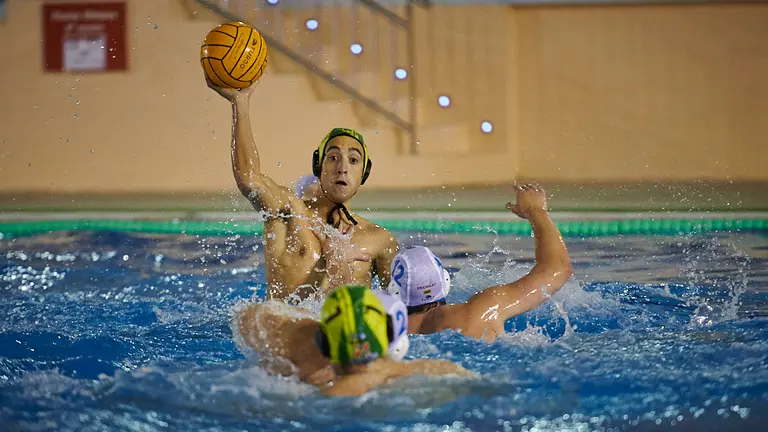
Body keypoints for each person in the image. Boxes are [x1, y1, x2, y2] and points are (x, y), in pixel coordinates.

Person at [206, 79, 399, 302]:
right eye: (333, 158)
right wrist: (240, 103)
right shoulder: (290, 212)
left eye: (353, 160)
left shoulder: (381, 240)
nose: (342, 168)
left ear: (364, 173)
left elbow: (397, 311)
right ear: (319, 166)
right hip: (288, 331)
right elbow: (249, 179)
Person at [386, 183, 573, 343]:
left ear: (393, 292)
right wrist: (535, 211)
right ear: (445, 281)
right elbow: (557, 269)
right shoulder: (478, 311)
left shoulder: (383, 334)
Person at [236, 284, 474, 396]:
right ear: (391, 340)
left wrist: (304, 322)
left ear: (325, 340)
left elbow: (247, 317)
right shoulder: (437, 371)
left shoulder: (307, 367)